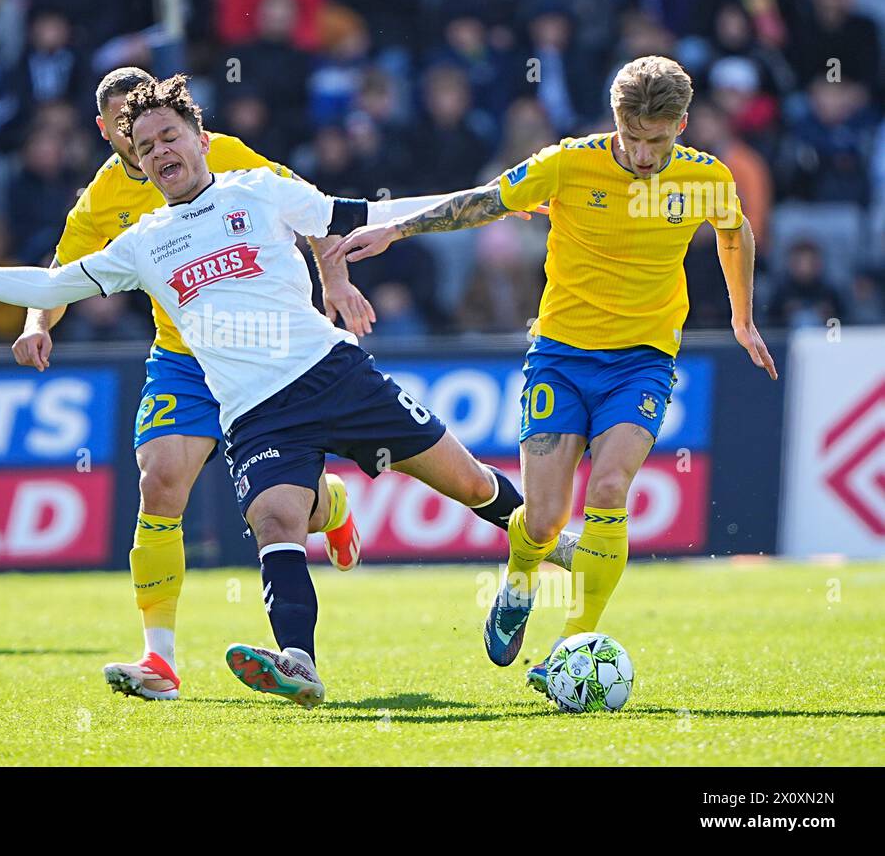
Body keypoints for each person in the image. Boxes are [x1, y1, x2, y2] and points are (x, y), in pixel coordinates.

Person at [0, 75, 576, 709]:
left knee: (472, 486)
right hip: (257, 416)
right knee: (275, 524)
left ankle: (554, 545)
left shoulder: (257, 189)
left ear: (201, 141)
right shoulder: (142, 242)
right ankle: (298, 660)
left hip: (335, 376)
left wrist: (494, 202)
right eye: (146, 146)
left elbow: (360, 211)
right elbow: (51, 284)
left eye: (169, 138)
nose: (158, 153)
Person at [328, 55, 778, 692]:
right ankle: (517, 583)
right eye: (632, 136)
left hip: (643, 361)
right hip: (561, 358)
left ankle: (572, 647)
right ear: (615, 119)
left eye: (658, 139)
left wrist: (742, 318)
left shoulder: (706, 178)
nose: (644, 154)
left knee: (610, 490)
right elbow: (484, 202)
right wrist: (396, 231)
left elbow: (735, 233)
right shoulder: (568, 163)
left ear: (681, 123)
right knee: (541, 520)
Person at [11, 68, 372, 702]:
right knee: (159, 482)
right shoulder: (101, 197)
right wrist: (38, 322)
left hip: (262, 354)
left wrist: (335, 281)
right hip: (183, 359)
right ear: (108, 130)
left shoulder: (222, 150)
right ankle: (161, 660)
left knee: (290, 506)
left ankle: (330, 504)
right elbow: (62, 270)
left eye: (158, 123)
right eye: (131, 126)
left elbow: (307, 206)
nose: (149, 138)